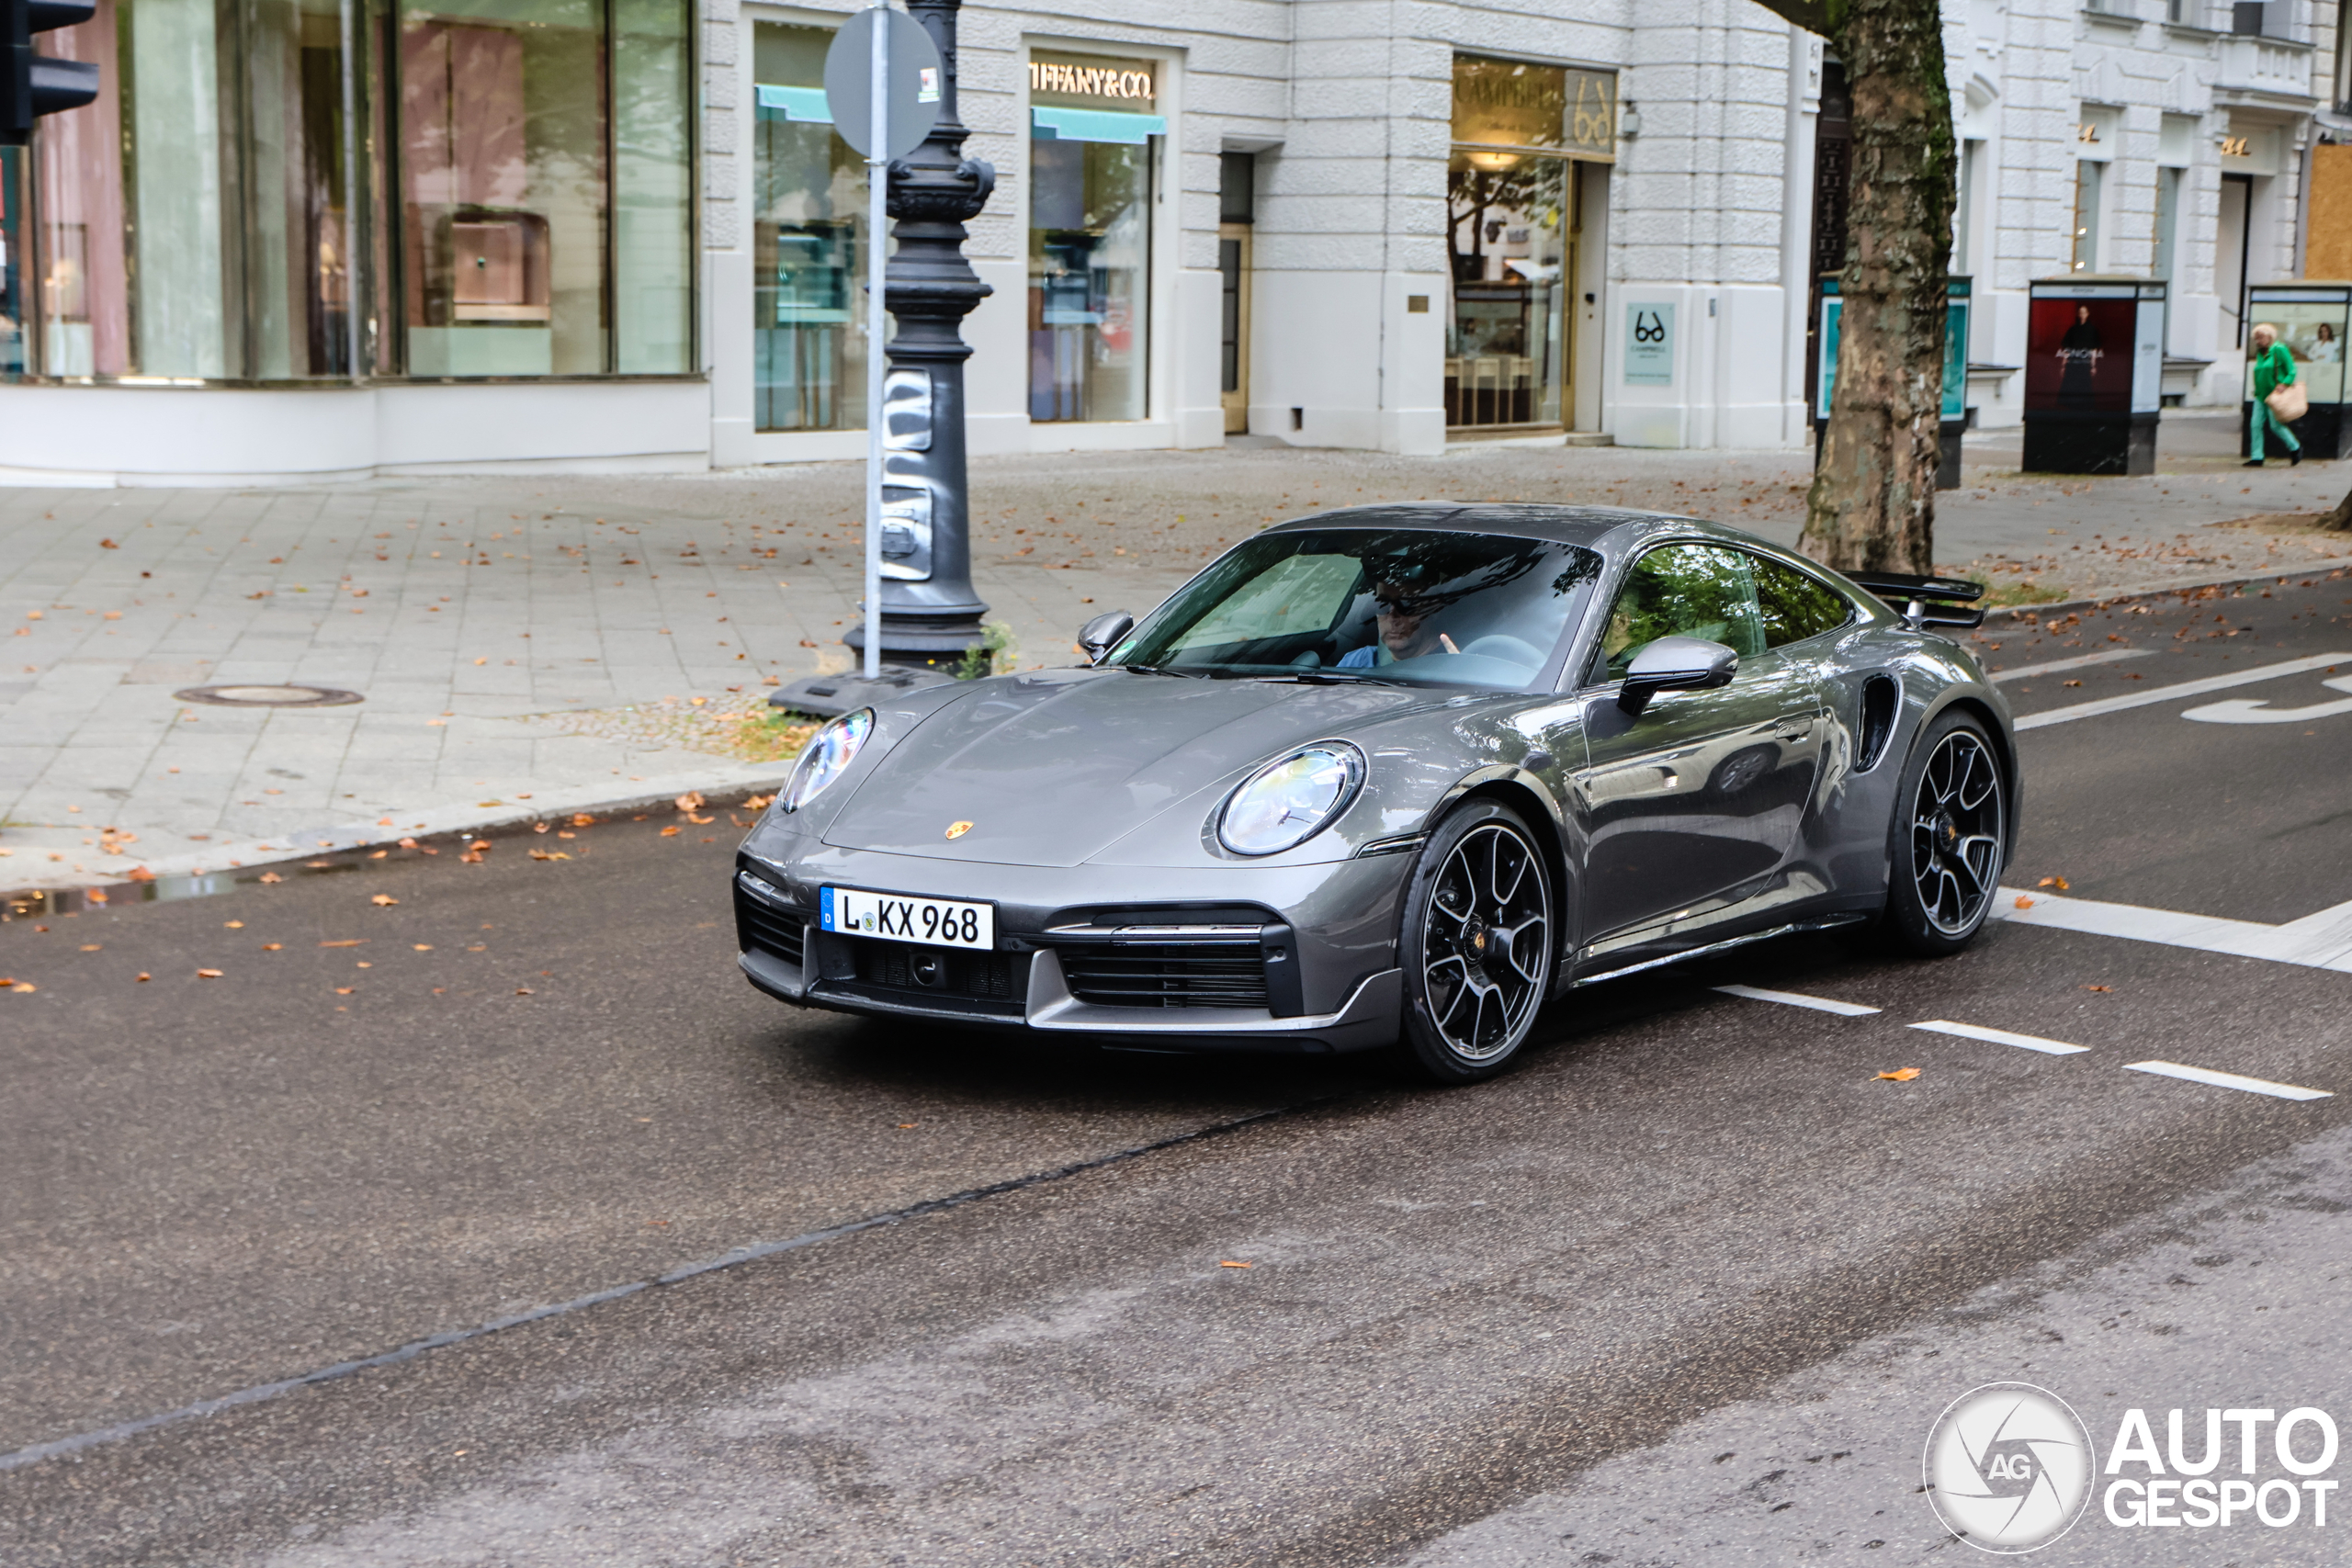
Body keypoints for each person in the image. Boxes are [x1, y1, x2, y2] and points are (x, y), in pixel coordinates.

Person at [1340, 581, 1464, 667]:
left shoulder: (1460, 664)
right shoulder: (1356, 662)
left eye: (1406, 604)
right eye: (1383, 605)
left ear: (1434, 608)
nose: (1393, 616)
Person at [2246, 321, 2303, 468]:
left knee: (2275, 426)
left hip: (2275, 396)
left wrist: (2284, 384)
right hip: (2260, 395)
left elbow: (2292, 370)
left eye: (2261, 337)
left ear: (2270, 336)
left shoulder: (2279, 349)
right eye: (2256, 338)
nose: (2258, 341)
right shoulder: (2260, 353)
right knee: (2255, 425)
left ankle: (2295, 447)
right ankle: (2257, 457)